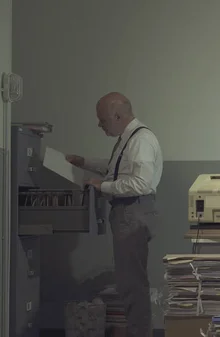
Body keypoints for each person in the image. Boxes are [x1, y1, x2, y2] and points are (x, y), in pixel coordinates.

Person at [66, 92, 163, 337]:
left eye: (103, 120)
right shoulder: (128, 138)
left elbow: (140, 183)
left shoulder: (141, 140)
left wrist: (103, 186)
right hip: (130, 212)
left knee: (132, 285)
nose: (100, 125)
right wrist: (83, 161)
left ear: (117, 115)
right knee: (130, 282)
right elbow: (115, 168)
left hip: (132, 211)